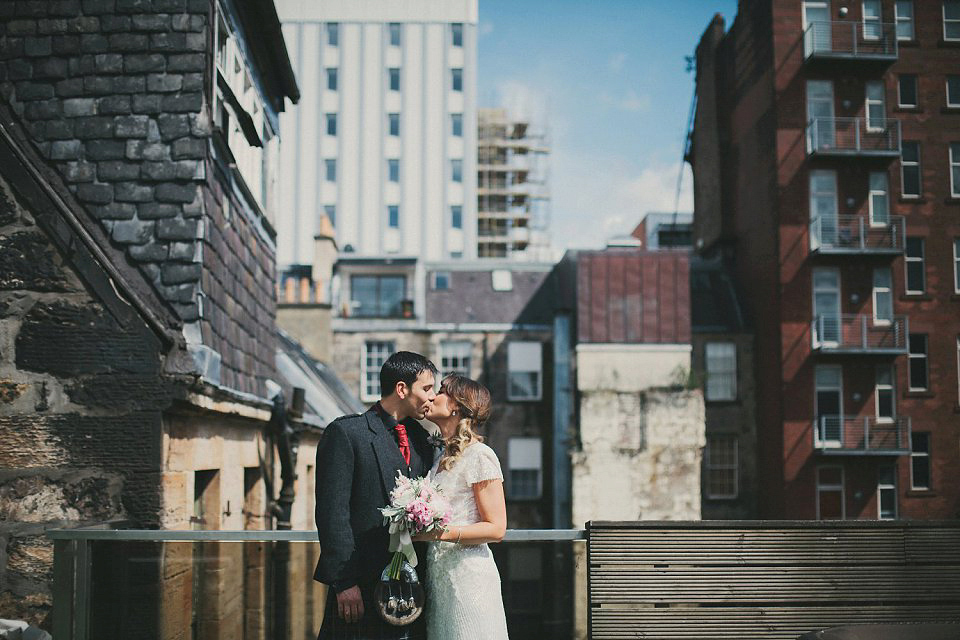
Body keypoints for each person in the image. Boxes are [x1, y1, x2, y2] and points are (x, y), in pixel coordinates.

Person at [314, 351, 438, 639]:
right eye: (427, 388)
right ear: (402, 389)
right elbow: (333, 514)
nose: (432, 397)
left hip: (412, 591)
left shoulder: (423, 440)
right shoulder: (346, 433)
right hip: (361, 585)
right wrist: (344, 583)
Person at [414, 374, 509, 639]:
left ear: (456, 405)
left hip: (470, 580)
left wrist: (441, 533)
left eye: (441, 391)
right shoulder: (438, 457)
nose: (432, 396)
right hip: (440, 579)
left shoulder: (480, 455)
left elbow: (497, 528)